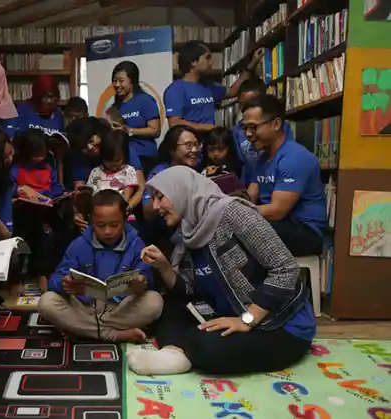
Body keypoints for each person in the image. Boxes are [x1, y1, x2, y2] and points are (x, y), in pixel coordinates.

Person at [126, 166, 314, 376]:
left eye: (161, 197)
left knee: (205, 346)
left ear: (183, 191)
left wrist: (246, 320)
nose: (156, 206)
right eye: (153, 199)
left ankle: (186, 352)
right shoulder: (190, 231)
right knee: (168, 305)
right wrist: (164, 266)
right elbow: (187, 291)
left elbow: (285, 269)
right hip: (229, 314)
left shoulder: (234, 213)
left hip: (278, 325)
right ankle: (174, 354)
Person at [38, 189, 163, 342]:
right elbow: (55, 280)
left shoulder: (136, 244)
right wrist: (64, 283)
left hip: (119, 309)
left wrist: (142, 283)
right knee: (47, 302)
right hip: (85, 307)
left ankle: (81, 329)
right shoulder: (79, 244)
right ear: (91, 220)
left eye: (114, 225)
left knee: (155, 302)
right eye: (100, 225)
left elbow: (148, 278)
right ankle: (112, 334)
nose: (107, 231)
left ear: (125, 219)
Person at [243, 95, 327, 256]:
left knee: (244, 230)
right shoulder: (262, 158)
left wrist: (236, 214)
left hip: (305, 230)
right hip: (277, 223)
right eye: (245, 128)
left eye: (253, 127)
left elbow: (277, 211)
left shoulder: (295, 157)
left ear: (276, 124)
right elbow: (250, 196)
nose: (247, 133)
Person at [164, 41, 263, 133]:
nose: (211, 63)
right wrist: (209, 128)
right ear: (193, 61)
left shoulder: (208, 86)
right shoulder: (175, 89)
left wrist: (252, 64)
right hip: (189, 147)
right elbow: (174, 123)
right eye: (207, 58)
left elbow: (233, 91)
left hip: (209, 145)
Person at [11, 129, 65, 290]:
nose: (40, 158)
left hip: (46, 213)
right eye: (36, 155)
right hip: (22, 213)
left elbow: (57, 187)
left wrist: (47, 195)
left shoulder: (48, 168)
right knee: (18, 241)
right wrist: (22, 191)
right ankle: (16, 278)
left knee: (46, 237)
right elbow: (10, 186)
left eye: (42, 154)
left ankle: (43, 274)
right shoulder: (17, 168)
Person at [142, 125, 201, 222]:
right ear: (172, 150)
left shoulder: (199, 167)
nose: (195, 150)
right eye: (188, 145)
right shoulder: (159, 174)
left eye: (197, 144)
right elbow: (147, 213)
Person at [110, 61, 161, 166]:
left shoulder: (145, 100)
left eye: (121, 81)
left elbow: (155, 130)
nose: (117, 85)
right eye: (115, 81)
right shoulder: (114, 107)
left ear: (132, 81)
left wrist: (129, 130)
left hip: (145, 157)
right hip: (123, 160)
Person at [87, 130, 140, 210]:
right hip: (99, 212)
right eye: (109, 161)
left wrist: (122, 209)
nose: (114, 164)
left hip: (120, 210)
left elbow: (127, 194)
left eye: (118, 160)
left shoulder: (128, 171)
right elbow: (90, 192)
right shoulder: (95, 172)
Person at [232, 77, 267, 186]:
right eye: (243, 104)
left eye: (251, 103)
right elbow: (240, 162)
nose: (246, 108)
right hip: (248, 183)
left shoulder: (275, 127)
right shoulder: (237, 131)